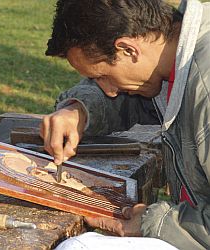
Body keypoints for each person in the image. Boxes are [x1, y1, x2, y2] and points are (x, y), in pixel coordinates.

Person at [40, 0, 210, 249]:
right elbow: (143, 102)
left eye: (102, 76)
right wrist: (80, 110)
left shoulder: (205, 85)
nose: (108, 90)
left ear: (129, 50)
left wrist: (154, 224)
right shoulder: (172, 57)